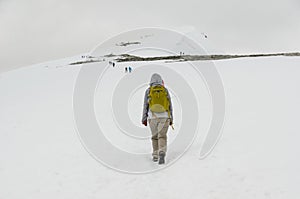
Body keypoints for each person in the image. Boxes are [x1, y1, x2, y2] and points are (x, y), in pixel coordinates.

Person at [142, 73, 173, 164]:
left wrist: (144, 118)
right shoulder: (165, 90)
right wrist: (171, 119)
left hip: (152, 117)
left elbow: (145, 106)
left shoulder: (148, 91)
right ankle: (162, 153)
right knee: (162, 136)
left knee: (155, 137)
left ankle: (155, 155)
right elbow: (170, 105)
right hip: (165, 117)